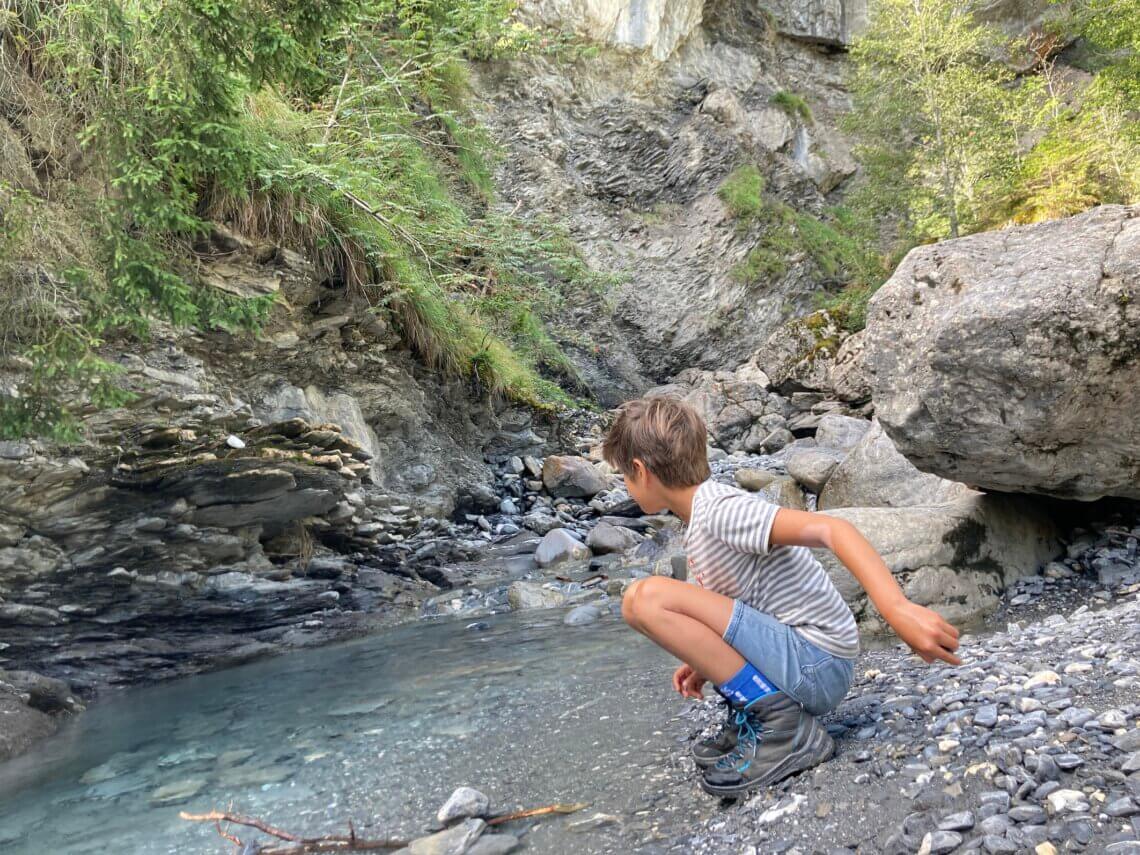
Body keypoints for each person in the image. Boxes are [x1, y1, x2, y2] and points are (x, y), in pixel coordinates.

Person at [602, 396, 962, 797]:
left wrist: (897, 609)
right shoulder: (700, 521)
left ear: (640, 470)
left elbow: (833, 530)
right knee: (659, 601)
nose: (625, 485)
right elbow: (738, 609)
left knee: (643, 599)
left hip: (818, 663)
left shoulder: (720, 509)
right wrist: (702, 662)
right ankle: (757, 718)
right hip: (805, 663)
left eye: (623, 475)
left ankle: (782, 728)